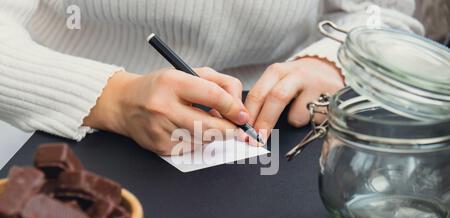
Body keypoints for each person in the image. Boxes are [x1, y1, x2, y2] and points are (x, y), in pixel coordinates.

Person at [0, 1, 423, 155]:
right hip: (79, 125)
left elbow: (382, 14)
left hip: (292, 121)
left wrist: (331, 59)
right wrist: (112, 96)